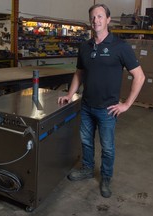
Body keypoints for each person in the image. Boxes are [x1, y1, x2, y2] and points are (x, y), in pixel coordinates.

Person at [58, 4, 145, 198]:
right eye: (92, 17)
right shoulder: (85, 47)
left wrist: (127, 104)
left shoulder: (120, 47)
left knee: (107, 147)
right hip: (87, 105)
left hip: (108, 109)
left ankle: (106, 177)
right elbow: (79, 73)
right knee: (86, 141)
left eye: (100, 16)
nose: (96, 20)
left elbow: (139, 77)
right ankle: (88, 169)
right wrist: (70, 94)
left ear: (107, 19)